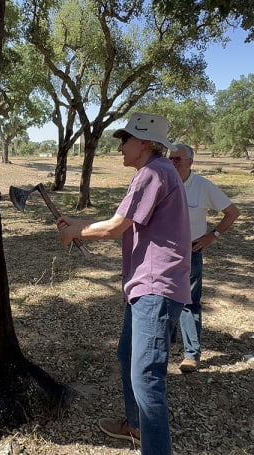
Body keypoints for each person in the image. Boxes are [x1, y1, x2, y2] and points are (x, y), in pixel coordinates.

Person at [58, 112, 191, 455]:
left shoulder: (152, 173)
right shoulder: (159, 172)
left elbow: (116, 228)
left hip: (155, 289)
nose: (120, 147)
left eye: (125, 139)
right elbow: (126, 222)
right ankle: (134, 425)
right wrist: (78, 222)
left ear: (144, 143)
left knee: (147, 379)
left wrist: (77, 232)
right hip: (148, 288)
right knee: (127, 355)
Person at [169, 143, 241, 373]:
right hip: (162, 252)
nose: (173, 163)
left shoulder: (203, 186)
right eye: (171, 158)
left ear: (191, 161)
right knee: (162, 298)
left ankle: (191, 355)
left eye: (178, 159)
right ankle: (164, 346)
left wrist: (213, 235)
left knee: (189, 302)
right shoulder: (163, 182)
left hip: (191, 251)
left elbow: (232, 212)